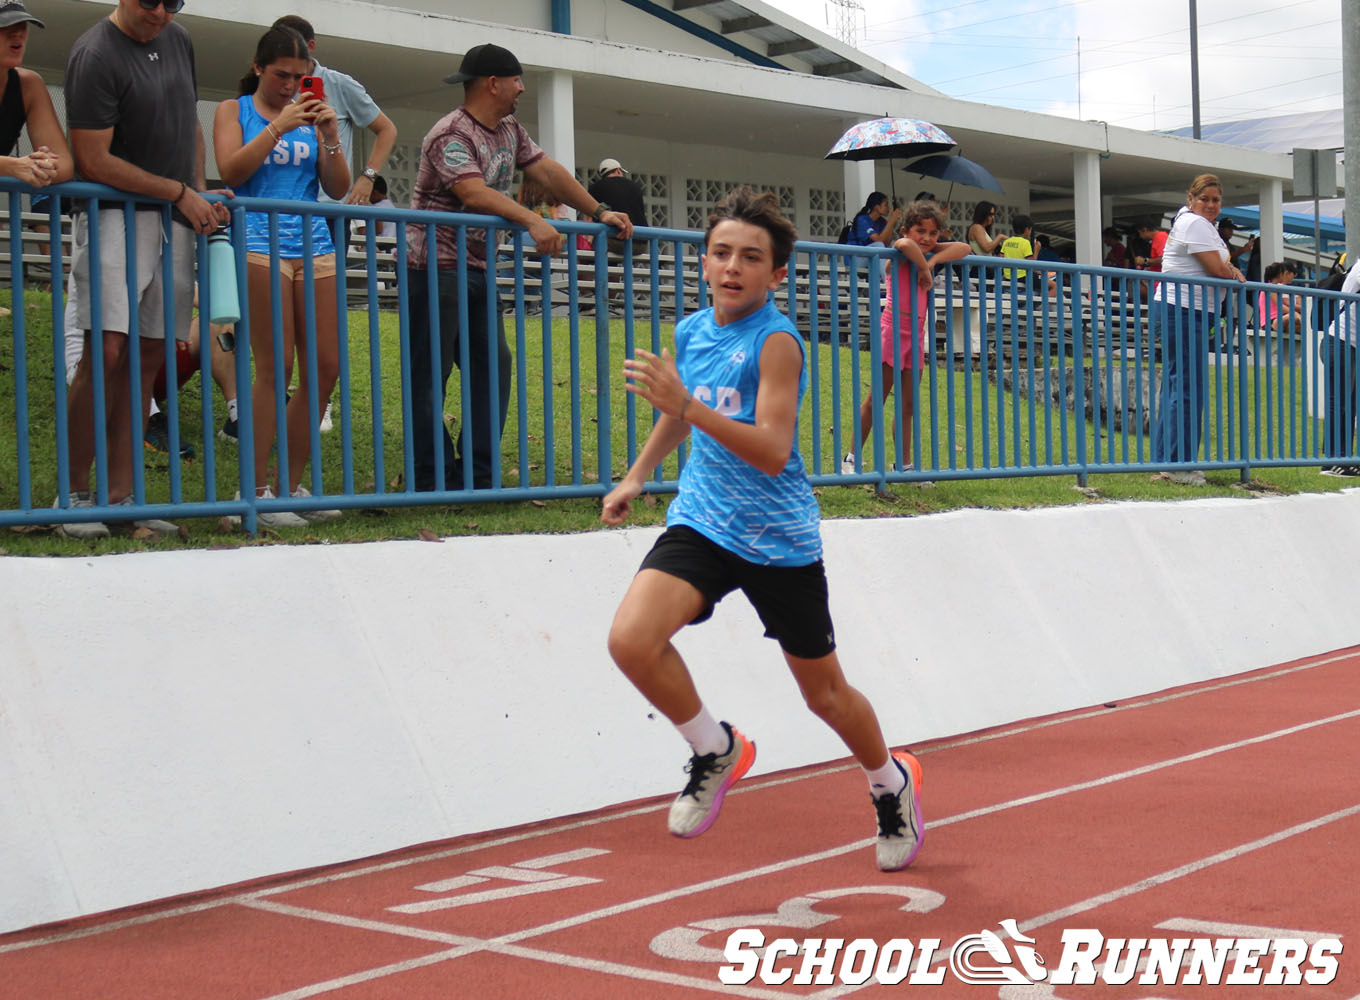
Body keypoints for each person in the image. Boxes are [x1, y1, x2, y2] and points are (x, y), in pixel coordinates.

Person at [601, 186, 924, 872]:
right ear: (705, 261)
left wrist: (685, 402)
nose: (731, 267)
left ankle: (889, 782)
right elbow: (678, 413)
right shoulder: (693, 331)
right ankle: (715, 748)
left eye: (750, 257)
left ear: (777, 273)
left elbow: (772, 447)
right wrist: (637, 474)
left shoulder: (777, 342)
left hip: (778, 540)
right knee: (630, 639)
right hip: (704, 520)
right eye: (720, 253)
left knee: (826, 697)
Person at [406, 42, 632, 491]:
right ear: (493, 83)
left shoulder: (508, 128)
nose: (521, 88)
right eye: (516, 80)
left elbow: (547, 172)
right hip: (432, 265)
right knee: (431, 372)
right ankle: (431, 475)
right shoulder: (451, 133)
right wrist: (531, 218)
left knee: (493, 363)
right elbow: (471, 192)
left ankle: (479, 473)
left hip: (476, 267)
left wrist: (598, 210)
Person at [60, 0, 230, 539]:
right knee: (105, 349)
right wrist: (181, 192)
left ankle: (121, 497)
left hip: (173, 217)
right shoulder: (94, 53)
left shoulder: (179, 39)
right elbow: (93, 159)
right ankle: (74, 494)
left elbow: (190, 126)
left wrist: (197, 191)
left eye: (173, 2)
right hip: (114, 213)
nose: (160, 11)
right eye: (150, 0)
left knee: (151, 353)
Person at [213, 25, 350, 527]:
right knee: (276, 367)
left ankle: (290, 487)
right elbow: (230, 170)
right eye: (281, 75)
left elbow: (336, 188)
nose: (291, 86)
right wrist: (277, 125)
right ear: (258, 68)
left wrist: (330, 138)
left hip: (314, 245)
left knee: (326, 367)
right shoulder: (236, 110)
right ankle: (255, 491)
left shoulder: (310, 118)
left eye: (300, 76)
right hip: (257, 245)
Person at [842, 199, 968, 475]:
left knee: (908, 404)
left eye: (933, 233)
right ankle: (850, 458)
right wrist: (925, 267)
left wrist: (932, 258)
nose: (926, 238)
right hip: (892, 332)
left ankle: (903, 464)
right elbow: (904, 245)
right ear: (906, 230)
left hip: (915, 336)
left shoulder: (925, 252)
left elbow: (964, 248)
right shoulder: (899, 253)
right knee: (877, 398)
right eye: (920, 231)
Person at [1149, 173, 1244, 486]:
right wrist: (1230, 270)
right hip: (1184, 309)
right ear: (1191, 198)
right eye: (1204, 199)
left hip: (1186, 309)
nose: (1211, 205)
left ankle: (1168, 461)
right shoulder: (1195, 223)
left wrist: (1228, 268)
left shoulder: (1196, 224)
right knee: (1187, 387)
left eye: (1216, 200)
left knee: (1178, 385)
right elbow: (1217, 269)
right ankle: (1179, 465)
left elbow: (1220, 266)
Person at [0, 0, 71, 223]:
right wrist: (13, 166)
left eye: (23, 24)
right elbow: (17, 168)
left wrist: (41, 166)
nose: (18, 33)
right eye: (5, 25)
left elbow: (64, 164)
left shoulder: (28, 85)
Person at [1320, 254, 1360, 477]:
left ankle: (1344, 458)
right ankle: (1332, 461)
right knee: (1340, 402)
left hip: (1351, 345)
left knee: (1350, 405)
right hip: (1340, 342)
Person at [588, 157, 648, 255]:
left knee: (598, 247)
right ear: (618, 171)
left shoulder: (596, 187)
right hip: (640, 243)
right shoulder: (635, 186)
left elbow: (590, 217)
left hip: (613, 241)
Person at [999, 214, 1057, 297]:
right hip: (1023, 277)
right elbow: (1032, 265)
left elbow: (1001, 258)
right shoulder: (1025, 243)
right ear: (1027, 229)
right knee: (1054, 285)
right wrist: (1036, 250)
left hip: (1008, 276)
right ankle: (1042, 306)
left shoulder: (1007, 242)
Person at [1257, 261, 1302, 359]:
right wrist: (1294, 313)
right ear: (1281, 274)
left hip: (1279, 319)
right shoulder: (1270, 287)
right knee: (1294, 317)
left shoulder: (1276, 287)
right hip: (1271, 321)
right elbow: (1280, 306)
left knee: (1298, 324)